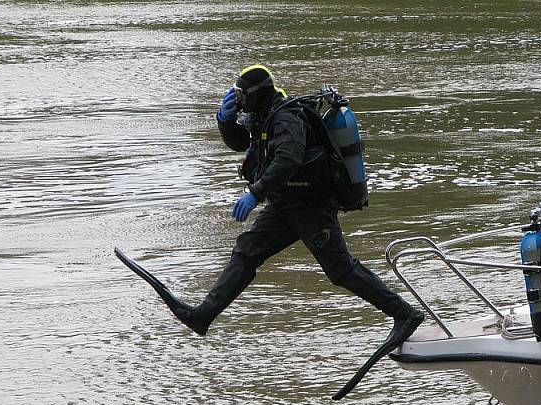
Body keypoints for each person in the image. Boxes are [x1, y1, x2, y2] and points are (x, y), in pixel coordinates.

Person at [119, 64, 423, 351]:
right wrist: (224, 121)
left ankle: (404, 314)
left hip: (311, 206)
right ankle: (203, 315)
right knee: (247, 251)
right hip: (284, 205)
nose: (239, 102)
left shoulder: (286, 117)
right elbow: (242, 144)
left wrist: (255, 192)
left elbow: (289, 159)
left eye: (241, 97)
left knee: (341, 269)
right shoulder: (264, 114)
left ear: (257, 94)